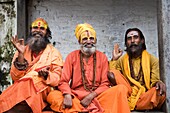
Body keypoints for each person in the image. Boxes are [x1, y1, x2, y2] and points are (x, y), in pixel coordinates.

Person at [47, 23, 130, 113]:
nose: (89, 41)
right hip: (76, 96)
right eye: (85, 39)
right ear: (79, 41)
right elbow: (63, 81)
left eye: (91, 38)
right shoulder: (72, 56)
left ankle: (79, 110)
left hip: (98, 96)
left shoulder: (102, 57)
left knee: (120, 89)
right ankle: (86, 109)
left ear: (95, 41)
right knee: (53, 95)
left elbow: (105, 84)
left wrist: (90, 97)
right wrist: (67, 95)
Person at [0, 18, 63, 113]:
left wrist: (46, 75)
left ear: (47, 33)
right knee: (28, 83)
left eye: (42, 28)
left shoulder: (54, 53)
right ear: (30, 31)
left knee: (32, 78)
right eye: (34, 28)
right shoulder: (22, 50)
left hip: (43, 89)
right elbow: (15, 77)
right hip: (22, 89)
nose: (38, 30)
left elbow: (58, 78)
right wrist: (21, 54)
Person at [109, 28, 166, 111]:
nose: (132, 41)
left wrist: (158, 83)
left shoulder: (152, 59)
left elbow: (154, 82)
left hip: (144, 95)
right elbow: (113, 78)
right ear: (126, 43)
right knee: (113, 73)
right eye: (129, 38)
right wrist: (114, 59)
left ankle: (127, 104)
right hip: (128, 93)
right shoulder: (121, 60)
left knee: (159, 92)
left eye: (135, 37)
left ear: (142, 40)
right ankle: (137, 105)